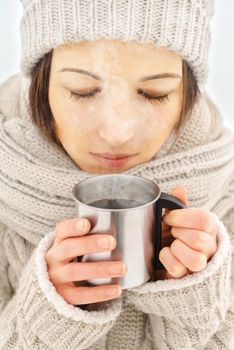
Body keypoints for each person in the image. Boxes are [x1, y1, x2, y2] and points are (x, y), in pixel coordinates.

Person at [0, 0, 233, 349]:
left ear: (187, 93)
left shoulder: (224, 194)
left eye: (155, 94)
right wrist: (45, 323)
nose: (117, 132)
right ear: (41, 85)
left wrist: (194, 304)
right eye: (82, 90)